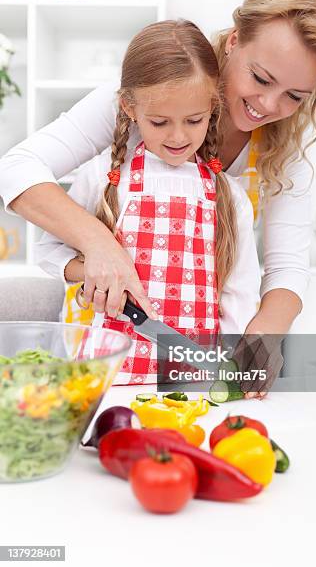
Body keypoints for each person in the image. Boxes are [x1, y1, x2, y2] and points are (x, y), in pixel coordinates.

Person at [0, 0, 316, 397]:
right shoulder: (150, 92)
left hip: (196, 343)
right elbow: (16, 168)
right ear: (235, 41)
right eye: (260, 77)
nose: (270, 106)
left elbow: (287, 269)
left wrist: (261, 340)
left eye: (294, 96)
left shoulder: (284, 151)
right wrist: (100, 247)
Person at [36, 19, 261, 386]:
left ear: (212, 106)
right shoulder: (102, 178)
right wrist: (89, 270)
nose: (178, 136)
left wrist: (230, 371)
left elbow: (241, 294)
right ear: (129, 107)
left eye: (193, 120)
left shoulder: (229, 196)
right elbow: (47, 253)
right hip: (103, 376)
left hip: (191, 381)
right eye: (159, 122)